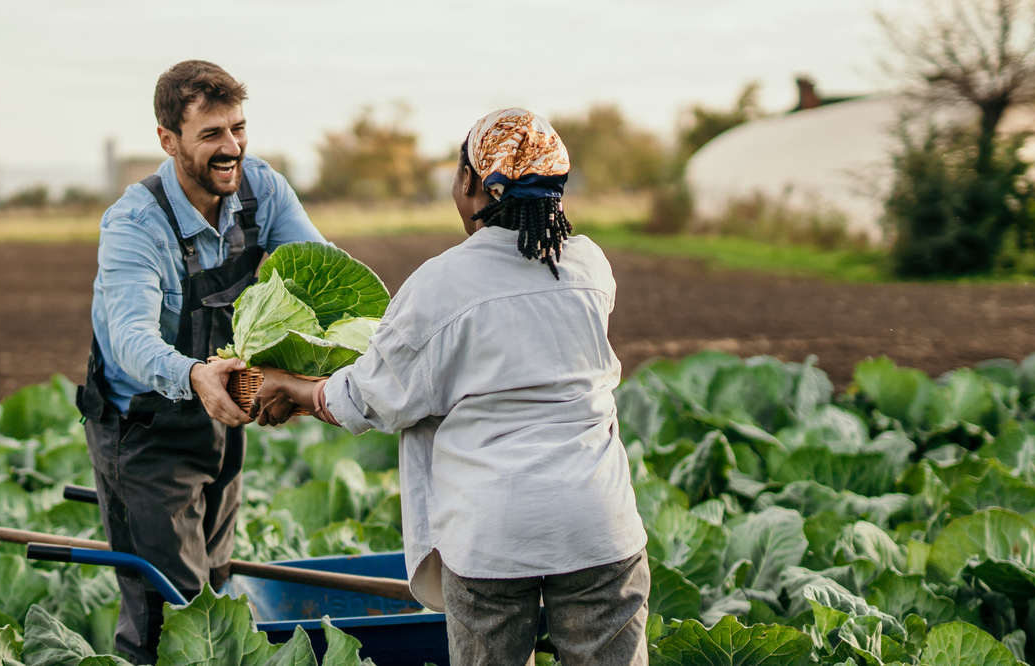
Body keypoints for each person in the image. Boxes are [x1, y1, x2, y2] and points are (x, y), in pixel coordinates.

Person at [249, 108, 650, 666]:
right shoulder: (588, 268)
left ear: (470, 182)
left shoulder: (442, 284)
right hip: (597, 522)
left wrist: (298, 388)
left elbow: (372, 397)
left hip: (493, 533)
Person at [76, 60, 327, 664]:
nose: (232, 147)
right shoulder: (136, 224)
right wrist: (192, 374)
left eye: (238, 129)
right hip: (145, 432)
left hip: (221, 419)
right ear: (168, 140)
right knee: (169, 616)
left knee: (213, 599)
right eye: (212, 134)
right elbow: (131, 338)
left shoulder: (260, 189)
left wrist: (313, 373)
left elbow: (322, 274)